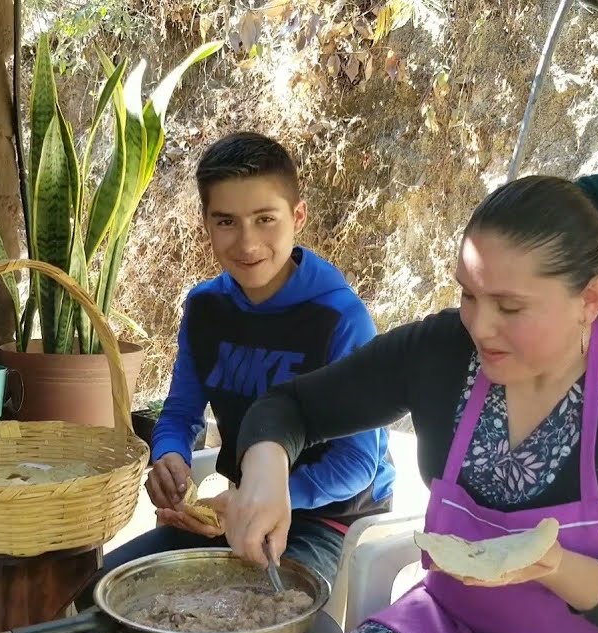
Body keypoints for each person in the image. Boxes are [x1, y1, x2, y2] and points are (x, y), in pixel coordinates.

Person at [225, 175, 598, 633]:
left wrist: (551, 565)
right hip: (452, 630)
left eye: (510, 307)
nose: (480, 326)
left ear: (590, 299)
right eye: (468, 294)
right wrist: (266, 472)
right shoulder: (443, 352)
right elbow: (289, 407)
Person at [82, 132, 396, 606]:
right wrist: (169, 456)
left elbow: (356, 465)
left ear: (298, 217)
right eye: (226, 221)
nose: (247, 242)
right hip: (234, 509)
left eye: (265, 219)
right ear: (205, 222)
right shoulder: (206, 308)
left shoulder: (339, 319)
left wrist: (258, 500)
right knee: (99, 594)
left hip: (329, 516)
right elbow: (182, 411)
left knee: (254, 613)